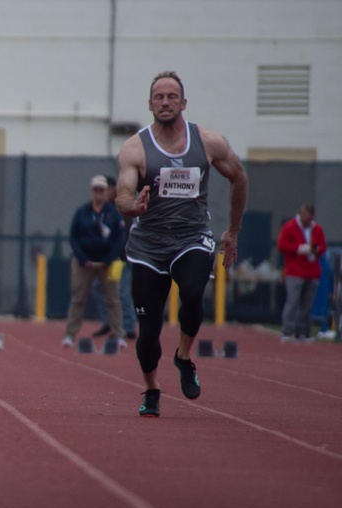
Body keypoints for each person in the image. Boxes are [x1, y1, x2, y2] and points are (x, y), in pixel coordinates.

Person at [116, 71, 248, 418]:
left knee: (192, 292)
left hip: (191, 237)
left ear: (183, 103)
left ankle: (184, 356)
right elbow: (123, 196)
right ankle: (152, 387)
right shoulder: (134, 148)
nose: (164, 102)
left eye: (171, 96)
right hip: (148, 245)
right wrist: (134, 206)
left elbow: (238, 176)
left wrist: (232, 230)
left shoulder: (207, 142)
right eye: (158, 97)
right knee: (148, 331)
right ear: (149, 104)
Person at [61, 175, 126, 349]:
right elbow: (73, 237)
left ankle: (118, 335)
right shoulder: (82, 212)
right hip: (85, 262)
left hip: (108, 262)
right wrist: (83, 259)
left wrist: (108, 259)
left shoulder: (113, 213)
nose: (98, 193)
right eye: (95, 189)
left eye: (101, 190)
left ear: (106, 192)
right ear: (91, 191)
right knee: (78, 298)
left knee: (113, 299)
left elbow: (120, 238)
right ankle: (69, 334)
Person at [91, 175, 137, 339]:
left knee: (121, 291)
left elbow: (122, 236)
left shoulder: (120, 208)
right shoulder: (104, 210)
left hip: (120, 260)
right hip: (108, 260)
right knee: (100, 287)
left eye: (104, 189)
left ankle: (129, 326)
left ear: (112, 189)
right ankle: (110, 323)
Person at [277, 203, 327, 343]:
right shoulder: (290, 227)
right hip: (295, 271)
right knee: (292, 302)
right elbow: (282, 245)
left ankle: (303, 331)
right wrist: (300, 249)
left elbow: (323, 247)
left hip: (312, 272)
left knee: (307, 304)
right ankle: (287, 330)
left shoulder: (317, 229)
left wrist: (315, 249)